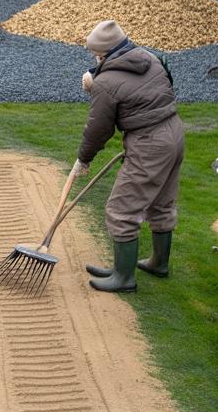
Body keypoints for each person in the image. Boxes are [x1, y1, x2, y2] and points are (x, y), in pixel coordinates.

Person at [71, 20, 184, 293]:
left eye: (95, 55)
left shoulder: (106, 83)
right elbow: (163, 82)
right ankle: (158, 263)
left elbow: (98, 129)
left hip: (149, 143)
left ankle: (123, 277)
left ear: (103, 53)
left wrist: (83, 159)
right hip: (175, 132)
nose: (94, 59)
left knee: (121, 210)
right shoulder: (150, 58)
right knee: (161, 201)